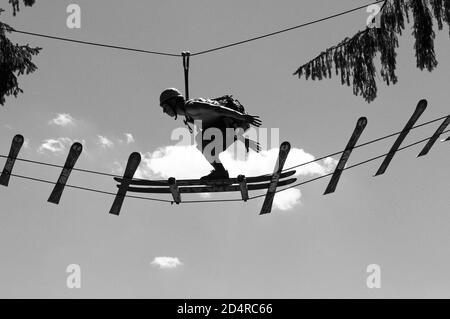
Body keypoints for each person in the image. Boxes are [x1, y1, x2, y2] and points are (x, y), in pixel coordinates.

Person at [159, 88, 262, 180]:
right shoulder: (190, 116)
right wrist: (243, 140)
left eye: (165, 106)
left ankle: (220, 172)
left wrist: (243, 117)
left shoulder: (191, 106)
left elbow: (218, 109)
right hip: (232, 126)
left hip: (237, 121)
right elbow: (221, 124)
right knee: (202, 142)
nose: (164, 111)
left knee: (202, 140)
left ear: (172, 102)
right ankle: (220, 171)